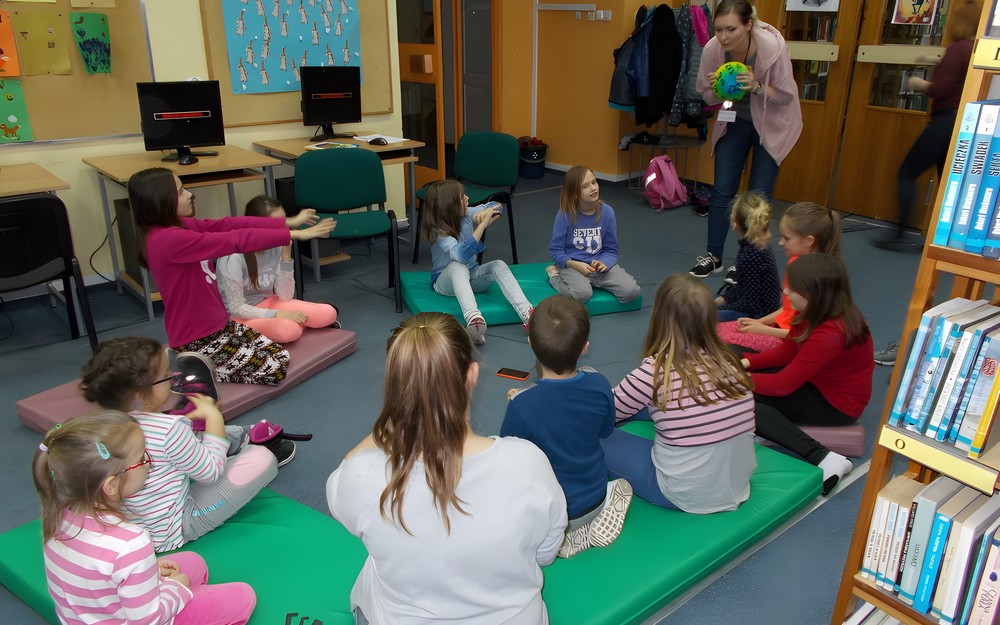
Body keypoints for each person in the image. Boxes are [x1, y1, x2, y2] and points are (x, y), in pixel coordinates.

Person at [327, 312, 567, 625]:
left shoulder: (362, 476)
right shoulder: (528, 462)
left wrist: (392, 420)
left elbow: (338, 490)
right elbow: (545, 554)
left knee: (374, 561)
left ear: (396, 386)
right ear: (472, 374)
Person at [33, 411, 256, 625]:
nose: (149, 462)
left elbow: (95, 576)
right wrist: (179, 588)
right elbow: (148, 621)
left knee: (193, 562)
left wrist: (149, 571)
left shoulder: (58, 516)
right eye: (142, 458)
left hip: (98, 614)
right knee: (242, 596)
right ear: (111, 486)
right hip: (146, 619)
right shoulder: (131, 542)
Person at [127, 167, 335, 385]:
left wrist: (288, 222)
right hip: (196, 339)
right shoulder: (167, 240)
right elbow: (234, 239)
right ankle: (191, 367)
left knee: (280, 355)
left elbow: (227, 224)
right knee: (274, 371)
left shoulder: (181, 226)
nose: (189, 194)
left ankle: (199, 363)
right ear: (160, 201)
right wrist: (294, 233)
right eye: (180, 191)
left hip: (220, 325)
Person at [79, 336, 283, 552]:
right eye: (167, 376)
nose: (173, 378)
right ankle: (236, 438)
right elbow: (210, 473)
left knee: (195, 439)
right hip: (175, 528)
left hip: (132, 528)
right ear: (141, 394)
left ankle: (231, 437)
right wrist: (214, 416)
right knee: (262, 458)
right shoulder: (169, 428)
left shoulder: (96, 427)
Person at [603, 275, 757, 512]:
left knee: (590, 435)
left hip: (683, 494)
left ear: (659, 318)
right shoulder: (730, 363)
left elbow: (602, 414)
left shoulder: (654, 373)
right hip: (738, 485)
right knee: (645, 405)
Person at [500, 295, 633, 558]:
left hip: (553, 513)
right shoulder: (600, 384)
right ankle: (594, 516)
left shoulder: (522, 405)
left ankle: (563, 537)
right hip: (594, 496)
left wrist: (523, 399)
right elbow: (605, 431)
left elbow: (508, 457)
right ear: (585, 347)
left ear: (531, 344)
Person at [741, 254, 874, 495]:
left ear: (813, 296)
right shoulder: (814, 314)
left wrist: (733, 379)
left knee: (742, 404)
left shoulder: (832, 332)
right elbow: (787, 352)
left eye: (792, 288)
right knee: (741, 368)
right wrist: (746, 363)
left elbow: (783, 385)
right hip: (816, 384)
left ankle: (824, 457)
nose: (786, 292)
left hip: (836, 407)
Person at [689, 0, 802, 278]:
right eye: (719, 29)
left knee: (758, 195)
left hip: (772, 123)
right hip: (734, 121)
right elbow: (704, 94)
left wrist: (757, 86)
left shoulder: (772, 49)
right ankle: (713, 256)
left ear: (748, 25)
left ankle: (746, 260)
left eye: (731, 29)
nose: (724, 37)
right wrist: (717, 88)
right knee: (723, 190)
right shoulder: (714, 49)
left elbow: (786, 96)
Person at [877, 0, 978, 253]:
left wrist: (916, 82)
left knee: (906, 173)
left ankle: (899, 233)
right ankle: (948, 239)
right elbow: (959, 76)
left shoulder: (956, 48)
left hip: (944, 122)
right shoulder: (974, 48)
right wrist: (936, 60)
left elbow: (940, 89)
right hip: (962, 123)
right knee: (949, 183)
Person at [718, 201, 840, 353]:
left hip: (789, 341)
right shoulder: (795, 262)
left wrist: (762, 329)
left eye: (787, 238)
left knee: (717, 338)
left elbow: (807, 335)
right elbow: (786, 309)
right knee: (716, 330)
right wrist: (758, 322)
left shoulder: (815, 277)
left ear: (809, 240)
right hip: (779, 329)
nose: (781, 242)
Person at [422, 180, 534, 345]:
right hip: (444, 282)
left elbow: (497, 205)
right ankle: (474, 319)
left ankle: (529, 314)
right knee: (457, 266)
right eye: (462, 196)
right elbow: (460, 255)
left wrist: (491, 210)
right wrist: (482, 225)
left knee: (499, 264)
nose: (467, 198)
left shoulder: (467, 212)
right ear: (451, 205)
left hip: (472, 276)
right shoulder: (439, 230)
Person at [215, 195, 339, 344]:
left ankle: (296, 326)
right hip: (241, 316)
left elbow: (285, 296)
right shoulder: (233, 256)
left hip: (269, 302)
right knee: (288, 330)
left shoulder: (278, 244)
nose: (284, 228)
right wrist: (278, 314)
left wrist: (286, 257)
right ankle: (299, 326)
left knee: (329, 313)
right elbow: (236, 307)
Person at [546, 166, 641, 304]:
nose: (593, 188)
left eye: (594, 182)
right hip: (572, 266)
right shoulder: (565, 215)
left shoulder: (607, 212)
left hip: (599, 267)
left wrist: (605, 263)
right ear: (574, 194)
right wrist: (574, 264)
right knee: (582, 295)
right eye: (585, 186)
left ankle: (594, 281)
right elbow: (556, 251)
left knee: (632, 292)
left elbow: (611, 250)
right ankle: (554, 276)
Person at [714, 192, 781, 322]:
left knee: (704, 317)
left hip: (759, 314)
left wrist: (718, 309)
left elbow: (750, 304)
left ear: (735, 223)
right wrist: (723, 299)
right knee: (708, 303)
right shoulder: (754, 244)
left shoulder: (750, 254)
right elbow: (744, 286)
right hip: (757, 305)